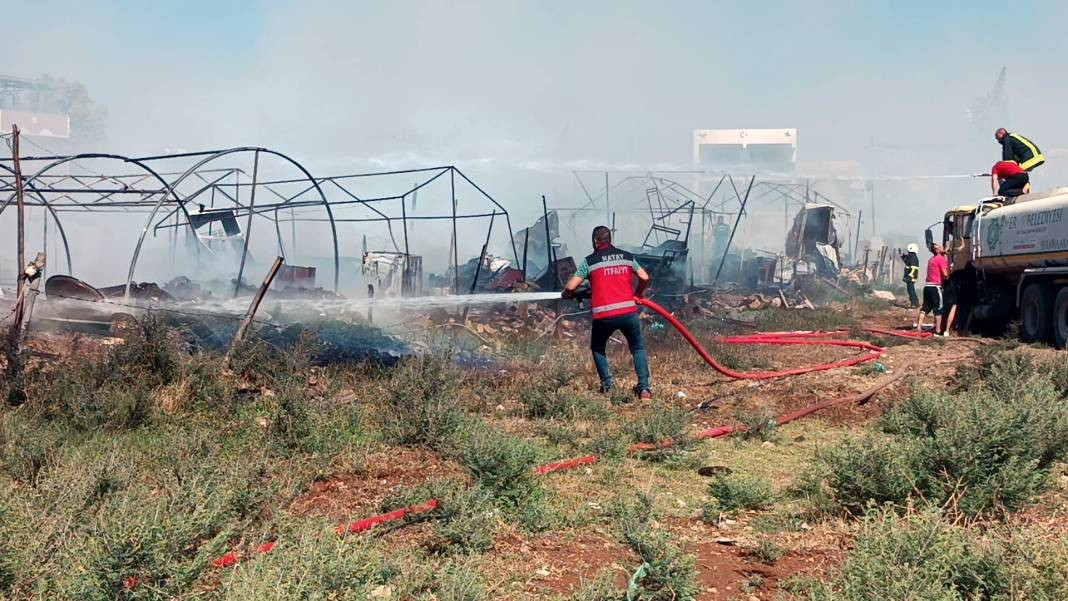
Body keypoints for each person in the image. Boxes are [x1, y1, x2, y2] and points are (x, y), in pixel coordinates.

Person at [562, 226, 652, 399]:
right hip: (628, 313)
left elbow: (571, 287)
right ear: (610, 240)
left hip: (604, 316)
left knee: (597, 348)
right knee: (637, 348)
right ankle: (645, 389)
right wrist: (639, 293)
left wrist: (567, 295)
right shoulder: (626, 257)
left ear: (595, 241)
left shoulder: (590, 261)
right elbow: (645, 277)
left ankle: (608, 386)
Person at [915, 244, 950, 334]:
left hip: (927, 286)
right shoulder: (941, 259)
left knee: (925, 307)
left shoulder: (931, 259)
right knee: (938, 308)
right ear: (938, 250)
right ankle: (938, 330)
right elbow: (945, 274)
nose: (943, 248)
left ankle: (919, 326)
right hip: (936, 287)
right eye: (941, 247)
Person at [900, 243, 920, 308]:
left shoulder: (913, 258)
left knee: (911, 290)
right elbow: (907, 262)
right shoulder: (912, 257)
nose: (907, 252)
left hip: (911, 277)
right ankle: (916, 302)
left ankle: (914, 303)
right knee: (910, 289)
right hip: (910, 277)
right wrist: (902, 257)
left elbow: (913, 268)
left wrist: (909, 277)